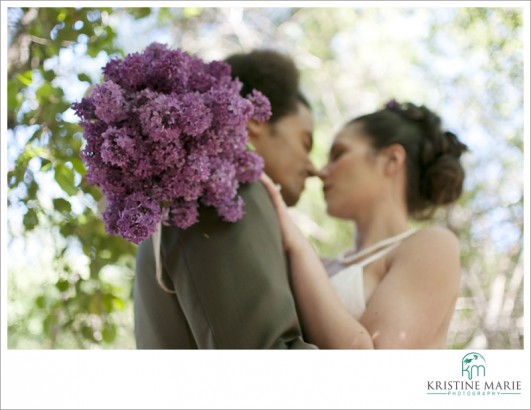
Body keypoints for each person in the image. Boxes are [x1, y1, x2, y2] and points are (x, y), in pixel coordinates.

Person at [134, 49, 317, 348]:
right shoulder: (224, 193)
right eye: (305, 142)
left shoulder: (182, 195)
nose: (314, 167)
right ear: (256, 117)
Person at [260, 100, 468, 349]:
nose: (321, 172)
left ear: (391, 160)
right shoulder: (322, 264)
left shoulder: (432, 245)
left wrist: (298, 245)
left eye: (338, 154)